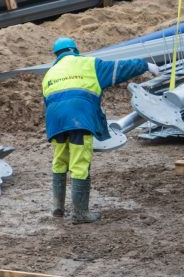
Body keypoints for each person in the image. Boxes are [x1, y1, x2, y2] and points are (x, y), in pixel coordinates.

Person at [42, 37, 160, 224]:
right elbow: (120, 68)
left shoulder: (50, 73)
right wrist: (145, 65)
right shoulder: (89, 64)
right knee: (80, 163)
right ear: (74, 50)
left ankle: (58, 207)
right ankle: (80, 214)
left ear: (57, 54)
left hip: (55, 121)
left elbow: (48, 102)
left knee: (60, 160)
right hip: (79, 117)